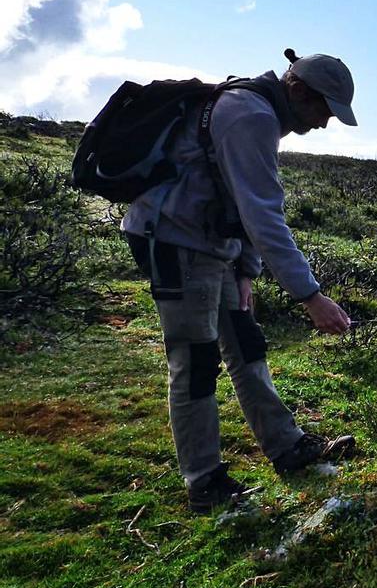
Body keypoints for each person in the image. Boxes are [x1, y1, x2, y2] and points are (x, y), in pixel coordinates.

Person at [121, 49, 358, 513]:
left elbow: (237, 199)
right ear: (297, 89)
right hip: (175, 240)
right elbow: (263, 215)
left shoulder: (257, 111)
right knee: (196, 360)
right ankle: (205, 481)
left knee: (245, 343)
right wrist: (311, 297)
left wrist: (244, 269)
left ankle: (286, 445)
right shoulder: (250, 116)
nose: (324, 123)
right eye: (323, 110)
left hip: (213, 247)